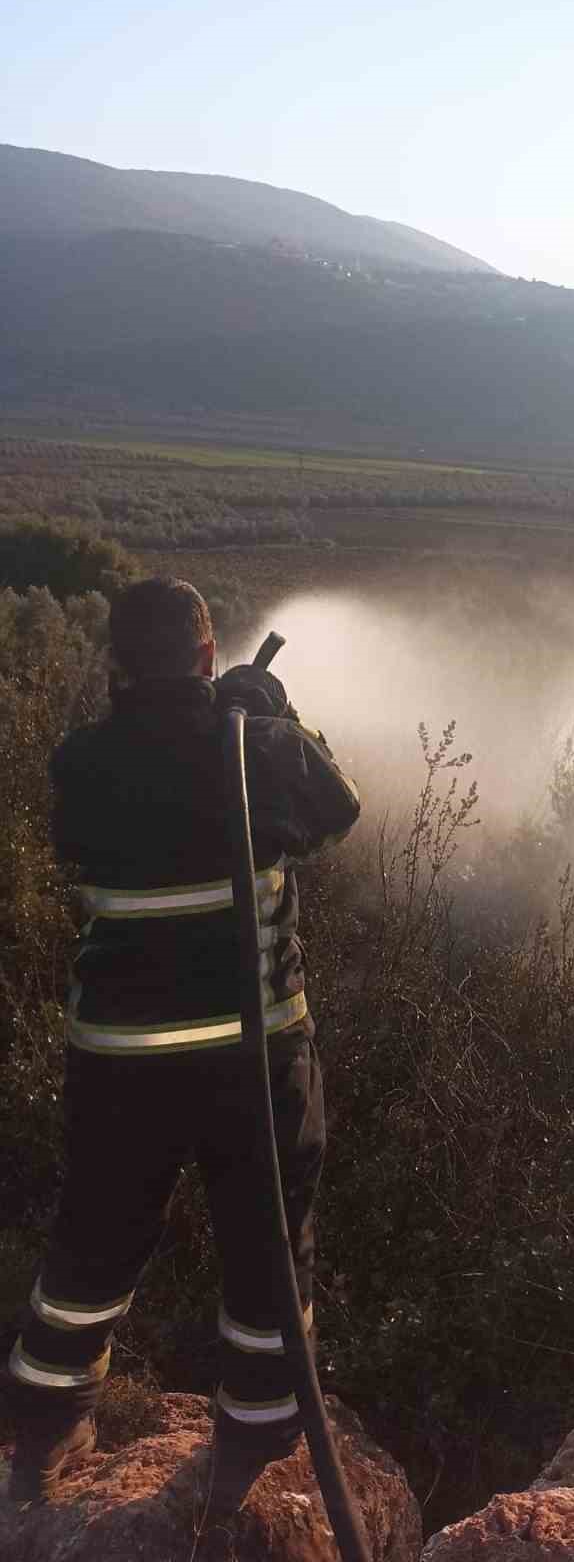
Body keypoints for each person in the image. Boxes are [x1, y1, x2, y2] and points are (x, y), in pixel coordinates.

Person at [5, 578, 360, 1506]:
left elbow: (101, 829)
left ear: (117, 663)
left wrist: (224, 720)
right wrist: (268, 712)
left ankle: (45, 1430)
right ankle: (248, 1450)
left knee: (93, 1242)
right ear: (207, 655)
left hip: (122, 1065)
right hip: (259, 1063)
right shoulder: (258, 749)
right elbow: (338, 805)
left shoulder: (83, 762)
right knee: (268, 1251)